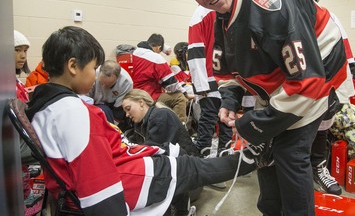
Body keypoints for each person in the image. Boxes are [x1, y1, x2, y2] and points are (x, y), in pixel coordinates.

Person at [177, 0, 353, 216]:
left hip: (322, 75)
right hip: (284, 84)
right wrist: (230, 100)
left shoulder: (270, 3)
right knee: (265, 153)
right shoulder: (222, 16)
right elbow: (226, 71)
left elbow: (307, 82)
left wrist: (253, 124)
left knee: (289, 152)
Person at [25, 26, 259, 216]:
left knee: (173, 153)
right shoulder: (75, 113)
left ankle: (250, 159)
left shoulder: (45, 105)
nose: (95, 75)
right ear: (73, 66)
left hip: (125, 168)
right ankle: (254, 159)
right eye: (93, 68)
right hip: (130, 179)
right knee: (194, 167)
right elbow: (99, 190)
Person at [289, 0, 355, 195]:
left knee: (321, 125)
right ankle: (295, 170)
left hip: (324, 82)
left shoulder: (328, 16)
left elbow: (343, 55)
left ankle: (318, 166)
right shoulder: (284, 16)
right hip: (294, 85)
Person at [122, 88, 199, 215]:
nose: (127, 114)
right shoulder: (141, 123)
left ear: (141, 102)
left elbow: (156, 154)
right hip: (184, 173)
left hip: (190, 177)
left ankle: (182, 211)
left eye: (128, 108)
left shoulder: (160, 116)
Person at [187, 6, 233, 157]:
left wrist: (200, 83)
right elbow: (196, 49)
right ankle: (208, 157)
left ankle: (210, 157)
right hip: (219, 77)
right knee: (219, 119)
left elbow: (195, 49)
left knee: (218, 119)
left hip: (215, 77)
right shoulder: (206, 12)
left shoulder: (204, 13)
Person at [132, 33, 194, 123]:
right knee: (180, 98)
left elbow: (151, 43)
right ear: (158, 47)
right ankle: (178, 131)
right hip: (150, 95)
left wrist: (163, 49)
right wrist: (186, 94)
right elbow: (172, 85)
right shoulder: (157, 59)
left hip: (138, 92)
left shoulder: (137, 51)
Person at [14, 30, 44, 212]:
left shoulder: (15, 79)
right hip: (15, 140)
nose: (23, 56)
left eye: (25, 50)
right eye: (17, 50)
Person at [88, 59, 133, 126]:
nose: (103, 87)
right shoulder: (92, 74)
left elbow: (118, 110)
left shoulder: (126, 83)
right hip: (93, 103)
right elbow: (85, 99)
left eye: (109, 84)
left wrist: (113, 127)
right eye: (101, 83)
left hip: (114, 105)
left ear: (118, 78)